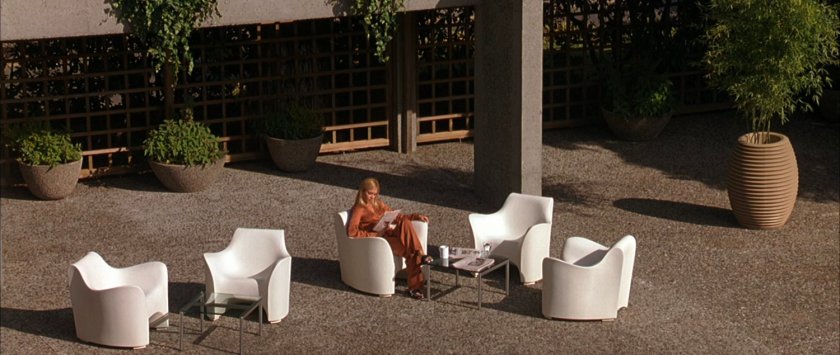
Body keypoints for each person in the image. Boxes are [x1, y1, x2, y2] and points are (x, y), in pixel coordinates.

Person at [347, 177, 431, 299]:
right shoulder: (359, 208)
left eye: (375, 194)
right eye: (370, 193)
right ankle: (415, 286)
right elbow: (352, 232)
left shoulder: (378, 203)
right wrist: (374, 235)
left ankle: (419, 254)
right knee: (411, 253)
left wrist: (415, 216)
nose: (372, 197)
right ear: (362, 191)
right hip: (379, 240)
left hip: (388, 232)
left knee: (404, 221)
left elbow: (396, 216)